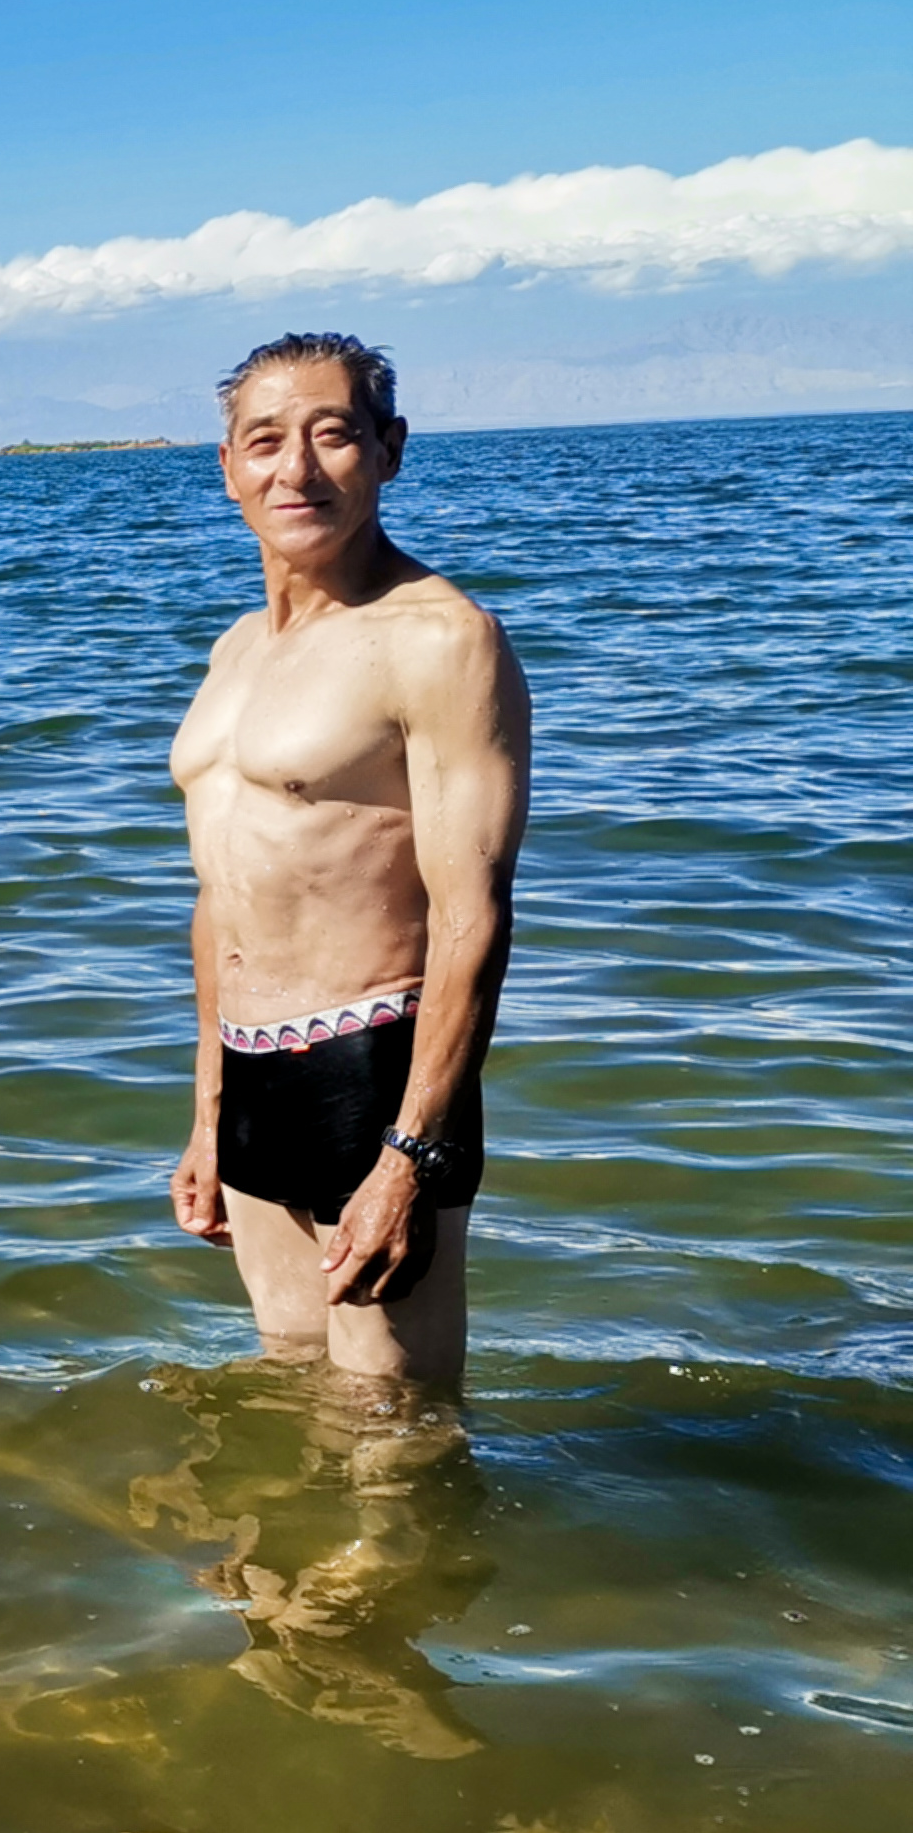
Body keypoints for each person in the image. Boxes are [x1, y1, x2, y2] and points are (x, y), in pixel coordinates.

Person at [168, 334, 530, 1380]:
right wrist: (207, 1117)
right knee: (291, 1395)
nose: (298, 468)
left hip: (375, 1070)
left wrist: (411, 1155)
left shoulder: (439, 639)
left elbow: (474, 914)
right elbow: (220, 896)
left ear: (389, 450)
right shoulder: (237, 650)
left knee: (396, 1436)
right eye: (266, 440)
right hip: (248, 1071)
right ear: (227, 465)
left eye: (334, 435)